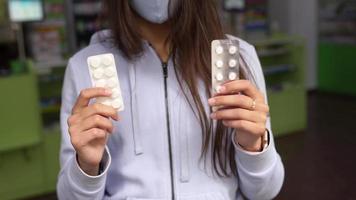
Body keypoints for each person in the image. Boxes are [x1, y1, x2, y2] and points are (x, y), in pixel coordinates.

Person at [57, 0, 284, 199]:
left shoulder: (240, 59)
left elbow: (265, 192)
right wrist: (86, 166)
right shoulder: (85, 67)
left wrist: (253, 147)